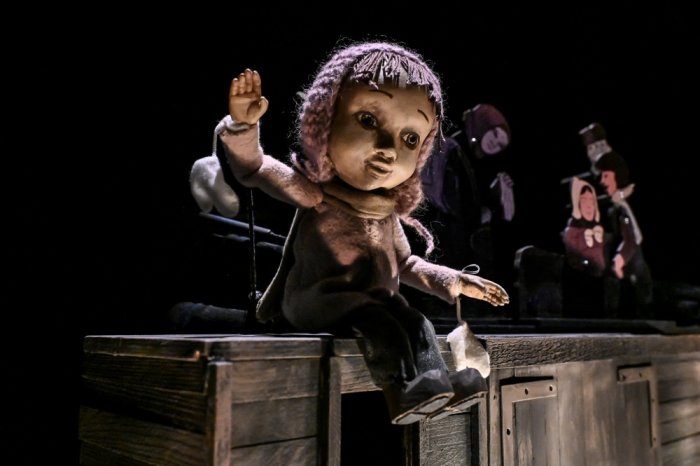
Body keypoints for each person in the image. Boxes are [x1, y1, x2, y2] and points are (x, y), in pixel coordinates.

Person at [210, 41, 509, 425]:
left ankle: (435, 387)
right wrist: (243, 126)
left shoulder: (384, 214)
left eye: (410, 139)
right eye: (368, 120)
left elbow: (406, 263)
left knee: (418, 322)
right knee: (382, 323)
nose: (388, 149)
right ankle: (400, 391)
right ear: (325, 120)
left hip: (374, 303)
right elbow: (254, 167)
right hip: (320, 300)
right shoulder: (315, 196)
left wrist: (455, 280)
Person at [419, 103, 516, 315]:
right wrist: (477, 213)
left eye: (501, 143)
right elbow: (451, 196)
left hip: (457, 232)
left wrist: (497, 195)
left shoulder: (477, 163)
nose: (496, 143)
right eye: (495, 134)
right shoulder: (453, 148)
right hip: (445, 227)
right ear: (482, 125)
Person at [594, 149, 654, 318]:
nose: (602, 181)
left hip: (634, 275)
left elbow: (633, 237)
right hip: (625, 278)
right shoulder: (613, 206)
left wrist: (619, 261)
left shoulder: (623, 205)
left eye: (606, 176)